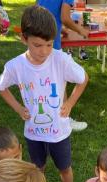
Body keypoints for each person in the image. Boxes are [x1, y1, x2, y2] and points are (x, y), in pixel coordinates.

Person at [0, 6, 89, 182]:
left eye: (49, 44)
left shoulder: (61, 59)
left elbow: (83, 79)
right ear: (24, 39)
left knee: (64, 168)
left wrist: (71, 103)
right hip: (34, 133)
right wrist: (19, 108)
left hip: (59, 132)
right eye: (37, 45)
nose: (44, 51)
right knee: (37, 168)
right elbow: (1, 87)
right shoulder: (15, 66)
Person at [37, 0, 90, 131]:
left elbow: (42, 12)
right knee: (60, 82)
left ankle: (47, 116)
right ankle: (64, 120)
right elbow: (65, 17)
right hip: (51, 44)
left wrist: (61, 28)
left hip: (37, 41)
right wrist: (80, 30)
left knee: (46, 82)